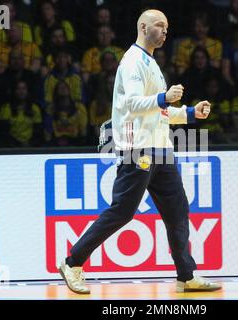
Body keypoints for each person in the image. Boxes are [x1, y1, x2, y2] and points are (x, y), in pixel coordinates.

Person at [58, 9, 221, 294]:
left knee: (178, 211)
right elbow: (133, 103)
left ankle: (186, 274)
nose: (165, 30)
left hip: (161, 149)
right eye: (160, 25)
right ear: (143, 27)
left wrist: (191, 113)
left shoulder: (151, 62)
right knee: (122, 211)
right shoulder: (132, 61)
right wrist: (163, 96)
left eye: (167, 26)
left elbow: (158, 111)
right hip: (137, 148)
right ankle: (73, 262)